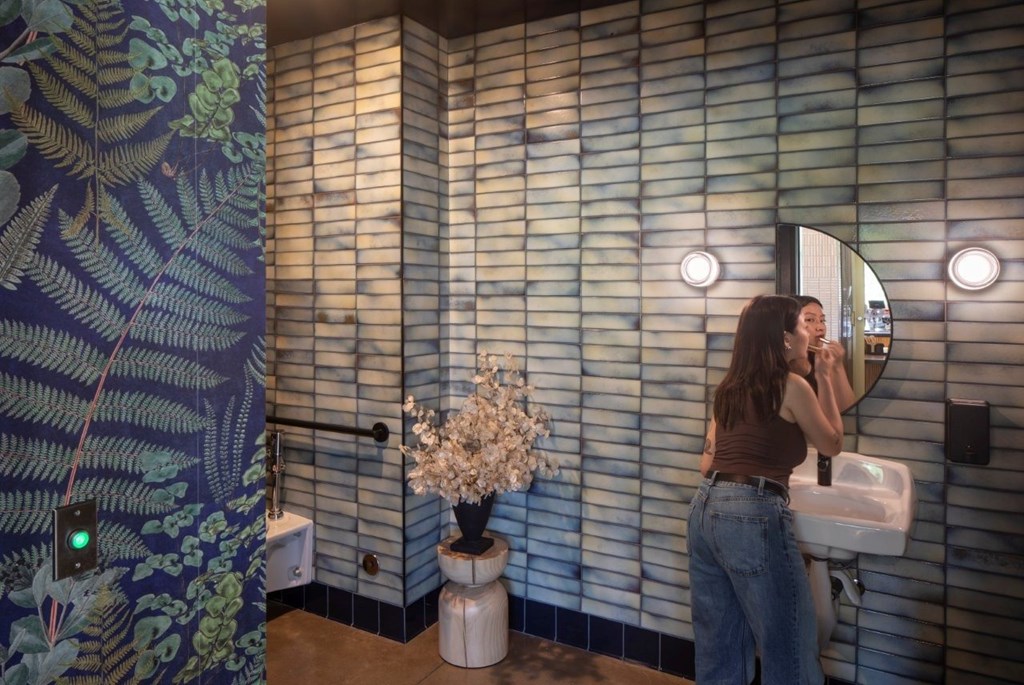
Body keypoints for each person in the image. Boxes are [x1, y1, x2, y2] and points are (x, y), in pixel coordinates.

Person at [688, 294, 844, 685]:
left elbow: (706, 463)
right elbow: (832, 445)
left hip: (704, 508)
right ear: (786, 339)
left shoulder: (730, 388)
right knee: (787, 640)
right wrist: (824, 376)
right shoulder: (791, 385)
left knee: (719, 639)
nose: (810, 334)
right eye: (803, 326)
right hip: (753, 510)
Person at [791, 295, 857, 412]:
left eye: (822, 320)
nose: (821, 327)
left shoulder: (822, 363)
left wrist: (837, 367)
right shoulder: (783, 367)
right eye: (810, 320)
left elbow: (848, 410)